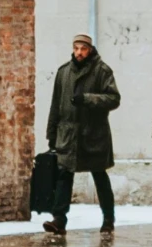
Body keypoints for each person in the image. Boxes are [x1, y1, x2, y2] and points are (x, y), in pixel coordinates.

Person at [44, 34, 120, 234]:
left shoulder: (102, 71)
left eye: (83, 49)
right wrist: (51, 133)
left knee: (99, 176)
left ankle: (108, 219)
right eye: (76, 48)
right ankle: (59, 219)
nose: (79, 52)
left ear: (90, 50)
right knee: (63, 175)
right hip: (68, 134)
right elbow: (55, 105)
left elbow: (113, 98)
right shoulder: (64, 73)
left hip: (93, 133)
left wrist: (87, 99)